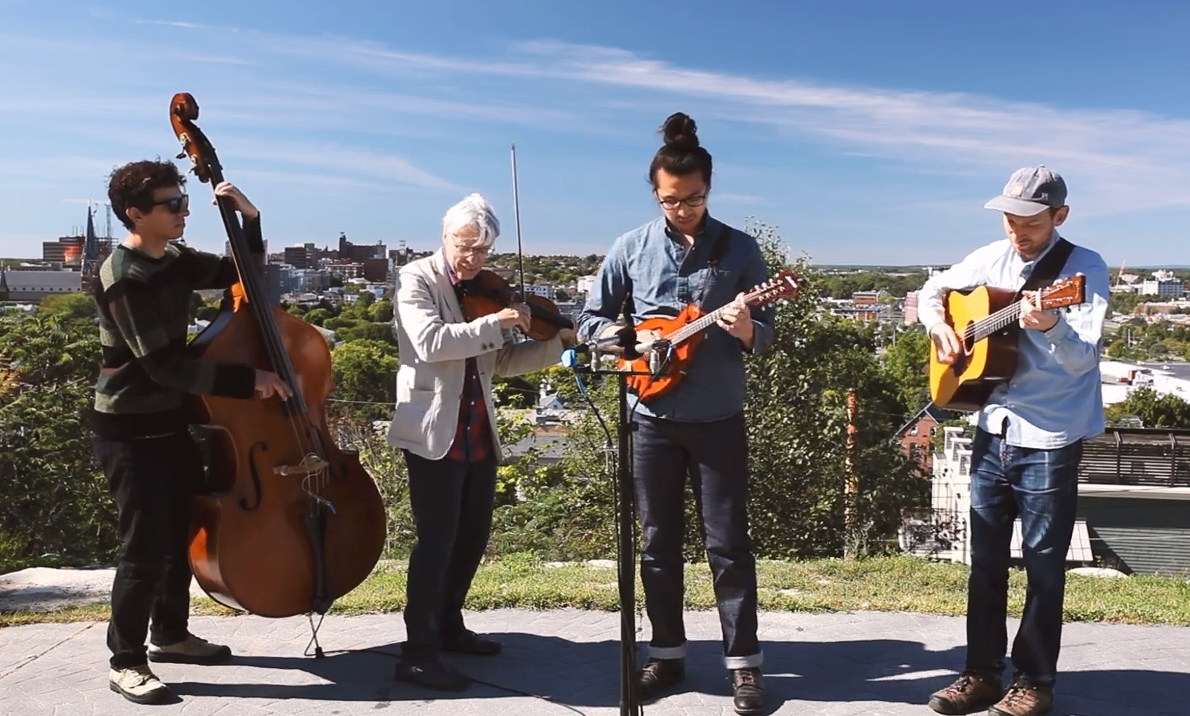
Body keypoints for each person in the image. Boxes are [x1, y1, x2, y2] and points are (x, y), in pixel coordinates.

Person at [575, 112, 774, 716]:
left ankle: (743, 667)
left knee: (728, 545)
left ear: (709, 189)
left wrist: (746, 329)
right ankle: (666, 654)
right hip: (649, 417)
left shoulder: (739, 250)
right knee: (656, 544)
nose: (682, 209)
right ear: (655, 192)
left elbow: (770, 332)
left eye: (692, 199)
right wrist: (629, 339)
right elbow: (589, 322)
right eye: (670, 200)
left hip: (718, 419)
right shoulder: (629, 248)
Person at [89, 160, 291, 705]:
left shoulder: (173, 259)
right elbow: (163, 366)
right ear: (136, 213)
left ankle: (171, 635)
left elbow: (238, 274)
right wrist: (251, 380)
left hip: (171, 418)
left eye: (183, 202)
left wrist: (249, 218)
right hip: (129, 425)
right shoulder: (123, 275)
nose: (183, 212)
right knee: (144, 546)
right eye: (171, 205)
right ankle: (126, 660)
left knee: (180, 529)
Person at [919, 166, 1110, 716]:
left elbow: (1084, 356)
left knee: (1044, 564)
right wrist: (941, 327)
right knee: (984, 560)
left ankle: (1034, 682)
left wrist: (1050, 323)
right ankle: (979, 673)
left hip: (1048, 432)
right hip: (992, 426)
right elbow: (933, 289)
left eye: (1028, 220)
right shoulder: (990, 258)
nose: (1015, 229)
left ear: (1059, 216)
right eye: (1009, 217)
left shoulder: (1082, 269)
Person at [386, 192, 574, 691]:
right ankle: (417, 652)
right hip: (432, 429)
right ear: (445, 237)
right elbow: (431, 344)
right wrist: (501, 322)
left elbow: (502, 362)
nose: (472, 259)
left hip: (477, 429)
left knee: (471, 537)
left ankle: (449, 627)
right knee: (436, 542)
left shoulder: (486, 289)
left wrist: (555, 344)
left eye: (481, 251)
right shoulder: (416, 278)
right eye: (464, 247)